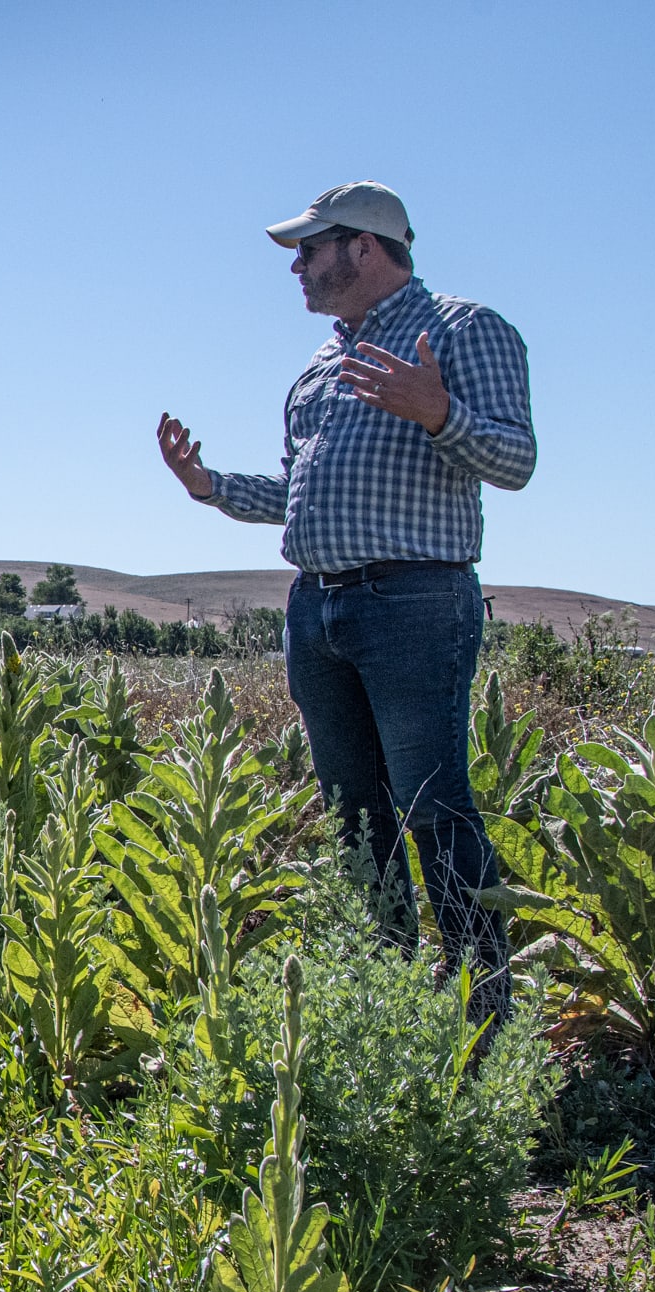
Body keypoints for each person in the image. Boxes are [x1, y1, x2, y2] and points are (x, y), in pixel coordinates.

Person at [156, 181, 534, 1018]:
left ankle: (485, 997)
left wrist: (439, 413)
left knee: (433, 805)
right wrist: (210, 485)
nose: (296, 266)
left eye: (309, 248)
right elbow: (297, 493)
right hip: (317, 610)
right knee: (354, 809)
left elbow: (515, 462)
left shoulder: (467, 330)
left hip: (415, 602)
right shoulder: (320, 365)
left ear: (364, 245)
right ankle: (387, 985)